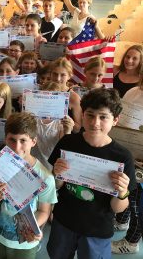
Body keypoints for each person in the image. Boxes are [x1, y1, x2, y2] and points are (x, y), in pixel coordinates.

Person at [48, 88, 137, 259]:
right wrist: (57, 175)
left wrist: (122, 192)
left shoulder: (122, 156)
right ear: (82, 115)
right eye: (90, 115)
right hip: (64, 220)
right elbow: (57, 185)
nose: (95, 122)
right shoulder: (68, 142)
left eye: (103, 117)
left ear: (115, 120)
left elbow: (118, 208)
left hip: (97, 228)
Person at [0, 112, 57, 259]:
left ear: (33, 141)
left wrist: (33, 227)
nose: (17, 147)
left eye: (23, 140)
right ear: (5, 138)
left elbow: (44, 211)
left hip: (24, 243)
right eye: (12, 139)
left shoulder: (45, 177)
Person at [111, 71, 143, 254]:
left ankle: (131, 242)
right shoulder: (133, 92)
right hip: (127, 152)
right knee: (127, 190)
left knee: (138, 201)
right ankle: (122, 221)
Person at [31, 82, 74, 170]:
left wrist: (68, 130)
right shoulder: (33, 115)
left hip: (51, 162)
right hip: (33, 159)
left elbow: (64, 145)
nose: (48, 102)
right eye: (45, 98)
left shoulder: (63, 119)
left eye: (52, 99)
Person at [49, 57, 82, 132]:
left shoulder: (73, 97)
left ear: (69, 76)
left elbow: (78, 128)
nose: (58, 78)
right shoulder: (41, 92)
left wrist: (70, 123)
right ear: (50, 74)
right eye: (55, 74)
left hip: (64, 138)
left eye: (63, 75)